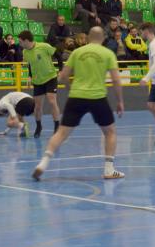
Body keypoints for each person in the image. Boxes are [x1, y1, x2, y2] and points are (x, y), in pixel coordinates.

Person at [32, 26, 125, 181]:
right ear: (102, 38)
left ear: (88, 37)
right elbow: (116, 79)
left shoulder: (77, 52)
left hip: (76, 96)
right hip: (98, 97)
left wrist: (70, 89)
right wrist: (120, 101)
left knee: (61, 133)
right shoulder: (108, 53)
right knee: (110, 132)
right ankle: (109, 169)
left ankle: (43, 163)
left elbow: (62, 76)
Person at [19, 30, 62, 138]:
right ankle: (39, 126)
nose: (19, 44)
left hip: (50, 77)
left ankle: (57, 126)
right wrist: (29, 76)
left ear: (26, 41)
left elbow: (58, 55)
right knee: (37, 107)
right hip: (37, 81)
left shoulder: (44, 46)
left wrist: (60, 70)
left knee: (52, 100)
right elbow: (29, 64)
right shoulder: (25, 52)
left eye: (20, 41)